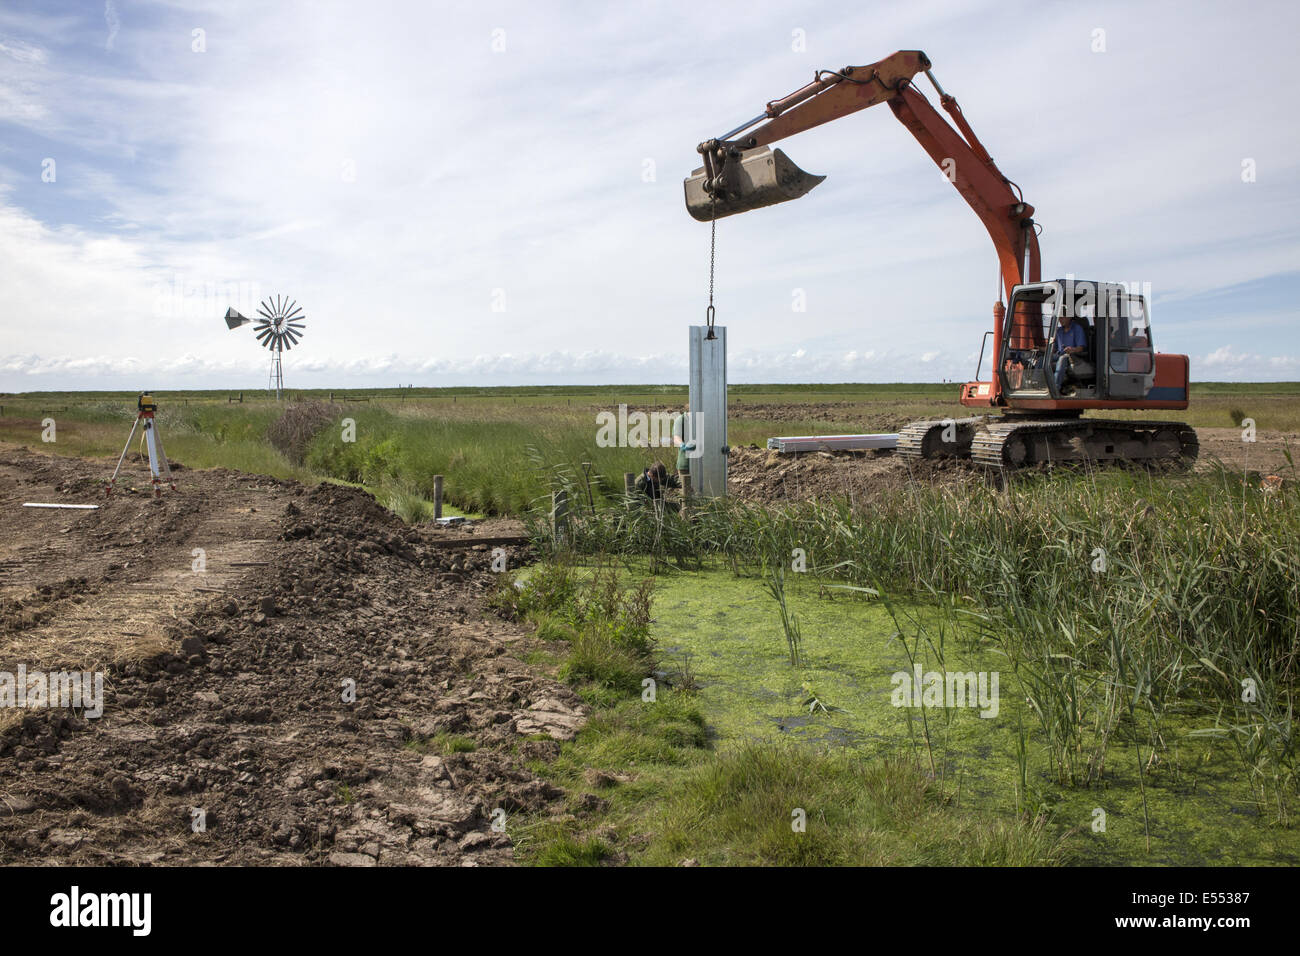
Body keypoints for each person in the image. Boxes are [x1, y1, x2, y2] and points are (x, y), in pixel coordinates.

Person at [1053, 311, 1088, 395]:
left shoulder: (1077, 329)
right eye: (1059, 318)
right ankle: (1036, 384)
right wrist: (1040, 348)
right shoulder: (1059, 331)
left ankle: (1054, 388)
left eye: (1062, 317)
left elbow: (1081, 348)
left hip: (1073, 357)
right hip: (1059, 354)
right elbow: (1054, 349)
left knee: (1062, 359)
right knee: (1042, 359)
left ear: (1069, 317)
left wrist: (1072, 349)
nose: (1060, 320)